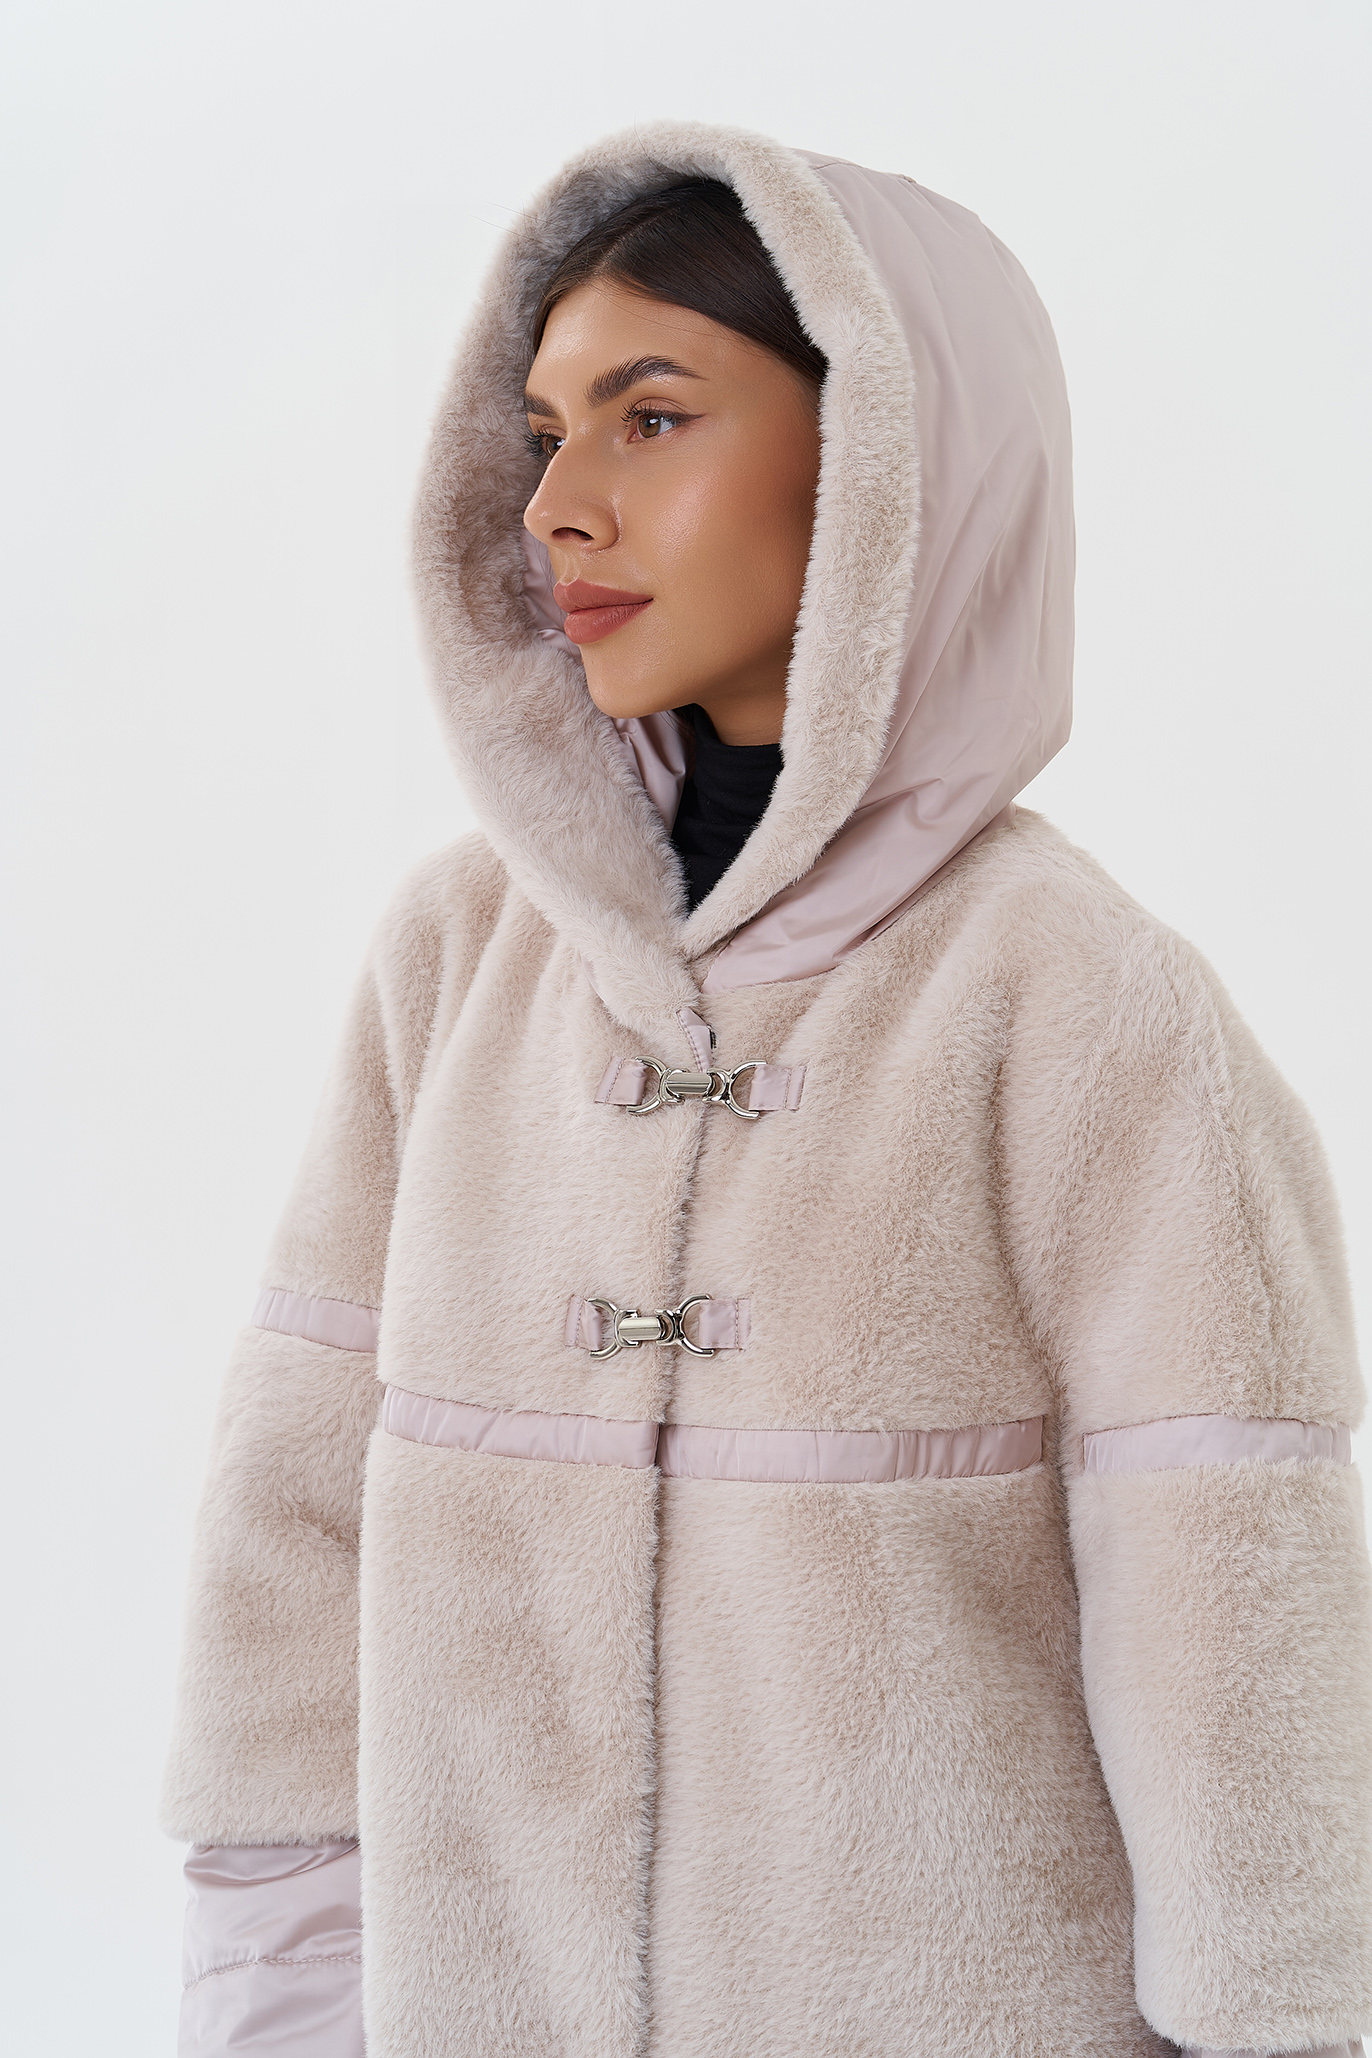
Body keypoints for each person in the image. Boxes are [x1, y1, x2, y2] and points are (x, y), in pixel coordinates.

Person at [163, 122, 1372, 2057]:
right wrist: (287, 2004)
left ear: (886, 464)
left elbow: (1239, 1634)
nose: (557, 506)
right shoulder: (454, 961)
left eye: (651, 418)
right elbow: (288, 1545)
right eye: (543, 432)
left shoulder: (1081, 1004)